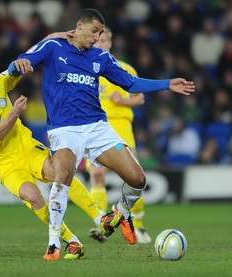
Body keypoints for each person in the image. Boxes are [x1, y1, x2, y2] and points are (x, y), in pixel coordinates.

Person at [9, 8, 195, 259]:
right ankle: (53, 242)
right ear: (79, 26)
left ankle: (120, 213)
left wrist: (167, 84)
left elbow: (131, 83)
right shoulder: (54, 46)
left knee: (138, 179)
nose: (97, 38)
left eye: (101, 33)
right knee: (62, 176)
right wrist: (16, 66)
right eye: (95, 31)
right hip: (65, 128)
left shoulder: (101, 58)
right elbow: (21, 62)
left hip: (97, 128)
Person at [0, 33, 123, 262]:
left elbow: (13, 68)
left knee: (60, 173)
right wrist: (14, 113)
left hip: (27, 149)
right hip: (5, 165)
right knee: (33, 197)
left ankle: (99, 218)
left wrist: (49, 39)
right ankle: (71, 240)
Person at [86, 27, 151, 244]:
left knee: (133, 177)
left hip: (120, 127)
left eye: (104, 41)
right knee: (96, 175)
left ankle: (139, 227)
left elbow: (140, 98)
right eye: (97, 41)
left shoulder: (123, 68)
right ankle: (101, 225)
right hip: (95, 128)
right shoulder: (86, 68)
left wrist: (123, 101)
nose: (101, 44)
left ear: (110, 44)